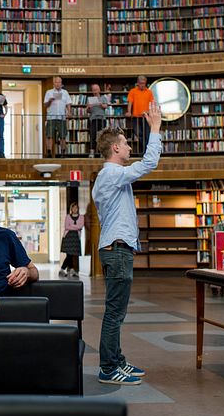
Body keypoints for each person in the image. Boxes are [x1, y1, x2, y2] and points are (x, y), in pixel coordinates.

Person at [92, 101, 162, 386]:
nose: (130, 147)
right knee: (115, 312)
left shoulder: (111, 177)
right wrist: (155, 128)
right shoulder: (111, 173)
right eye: (126, 144)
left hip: (116, 248)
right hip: (117, 249)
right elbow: (149, 163)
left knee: (116, 311)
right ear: (115, 149)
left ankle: (117, 360)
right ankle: (108, 368)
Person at [43, 76, 71, 158]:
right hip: (51, 117)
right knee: (49, 135)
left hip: (61, 117)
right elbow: (45, 105)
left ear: (61, 83)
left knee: (63, 136)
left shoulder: (65, 92)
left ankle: (63, 153)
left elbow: (68, 103)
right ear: (54, 83)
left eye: (59, 82)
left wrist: (69, 112)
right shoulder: (49, 92)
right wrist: (50, 101)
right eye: (56, 82)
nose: (58, 84)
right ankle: (49, 153)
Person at [126, 75, 154, 155]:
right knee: (138, 133)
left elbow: (151, 103)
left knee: (147, 134)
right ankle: (145, 151)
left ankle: (145, 152)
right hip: (136, 117)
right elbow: (130, 102)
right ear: (138, 83)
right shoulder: (133, 91)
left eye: (144, 83)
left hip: (146, 117)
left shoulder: (149, 92)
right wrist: (129, 112)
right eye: (141, 83)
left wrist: (149, 112)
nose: (142, 85)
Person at [59, 202, 84, 278]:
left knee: (72, 255)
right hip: (68, 237)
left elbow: (81, 226)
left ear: (78, 209)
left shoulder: (81, 217)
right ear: (71, 209)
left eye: (76, 208)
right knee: (69, 255)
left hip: (76, 237)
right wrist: (76, 227)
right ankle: (64, 269)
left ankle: (68, 269)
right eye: (73, 208)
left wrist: (72, 226)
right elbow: (67, 227)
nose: (75, 209)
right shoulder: (67, 217)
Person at [87, 83, 111, 158]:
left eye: (96, 89)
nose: (95, 91)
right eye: (94, 90)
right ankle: (92, 152)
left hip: (101, 118)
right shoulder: (90, 99)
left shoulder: (103, 97)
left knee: (102, 136)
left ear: (99, 90)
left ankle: (102, 152)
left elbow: (106, 106)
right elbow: (87, 111)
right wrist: (89, 107)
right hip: (93, 119)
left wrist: (100, 104)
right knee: (93, 135)